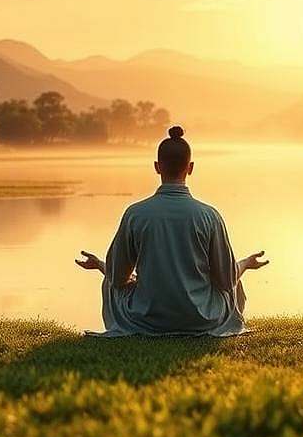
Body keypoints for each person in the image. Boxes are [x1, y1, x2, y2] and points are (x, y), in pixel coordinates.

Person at [75, 125, 269, 337]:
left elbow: (117, 277)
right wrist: (245, 264)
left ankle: (122, 327)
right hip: (201, 320)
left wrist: (100, 265)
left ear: (157, 167)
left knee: (109, 282)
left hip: (147, 321)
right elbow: (226, 280)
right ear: (191, 167)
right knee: (233, 278)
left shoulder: (135, 214)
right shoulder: (210, 216)